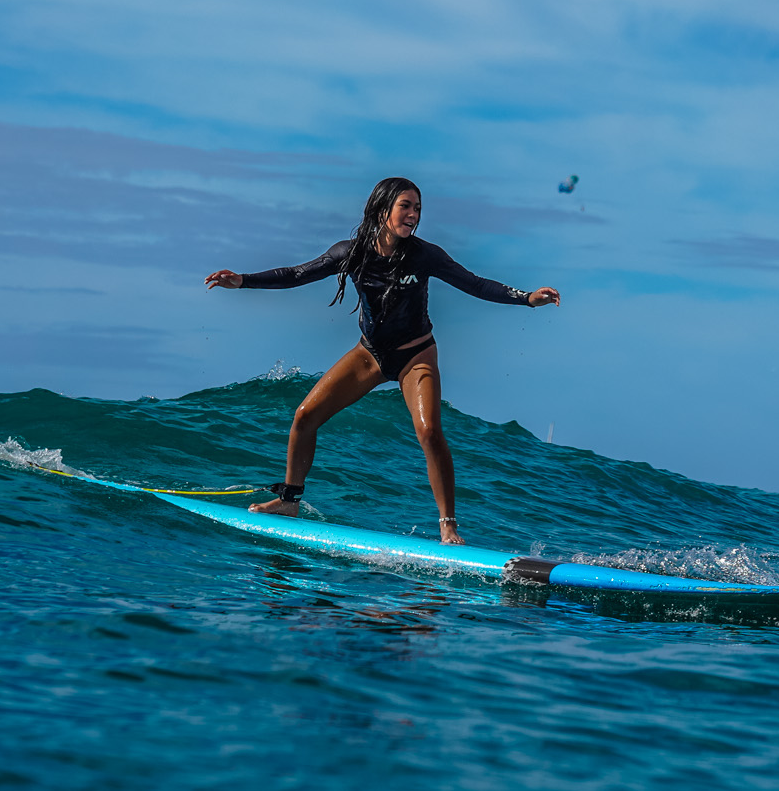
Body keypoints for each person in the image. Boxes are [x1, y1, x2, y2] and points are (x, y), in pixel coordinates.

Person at [204, 177, 559, 545]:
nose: (414, 215)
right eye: (406, 206)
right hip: (370, 354)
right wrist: (243, 280)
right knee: (304, 416)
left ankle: (448, 525)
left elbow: (475, 284)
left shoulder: (425, 255)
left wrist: (527, 298)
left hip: (416, 355)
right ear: (382, 209)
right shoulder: (351, 253)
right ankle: (288, 501)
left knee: (429, 431)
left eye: (418, 208)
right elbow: (297, 273)